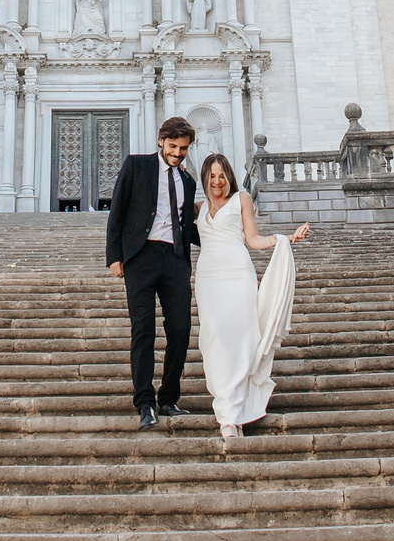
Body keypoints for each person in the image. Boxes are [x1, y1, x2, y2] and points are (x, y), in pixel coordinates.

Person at [191, 153, 308, 440]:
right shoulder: (198, 207)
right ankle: (230, 405)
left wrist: (284, 239)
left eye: (222, 175)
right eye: (212, 176)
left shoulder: (241, 199)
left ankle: (230, 417)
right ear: (204, 177)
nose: (217, 181)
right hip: (208, 277)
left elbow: (252, 239)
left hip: (237, 273)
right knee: (214, 338)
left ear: (228, 176)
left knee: (240, 337)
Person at [105, 116, 200, 428]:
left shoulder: (188, 180)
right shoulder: (136, 165)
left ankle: (169, 397)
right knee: (143, 330)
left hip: (175, 258)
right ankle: (145, 402)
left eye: (183, 148)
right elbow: (117, 210)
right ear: (161, 141)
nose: (177, 152)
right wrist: (114, 256)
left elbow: (189, 225)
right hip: (141, 257)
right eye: (173, 146)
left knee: (181, 329)